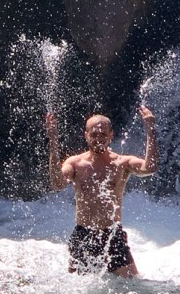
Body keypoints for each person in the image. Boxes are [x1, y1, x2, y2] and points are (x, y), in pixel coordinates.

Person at [45, 106, 158, 277]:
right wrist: (53, 142)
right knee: (76, 290)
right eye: (94, 135)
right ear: (86, 135)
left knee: (133, 286)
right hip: (84, 234)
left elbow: (149, 168)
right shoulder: (76, 163)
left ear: (111, 136)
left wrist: (151, 130)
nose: (99, 139)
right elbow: (58, 183)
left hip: (113, 235)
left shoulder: (121, 163)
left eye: (103, 135)